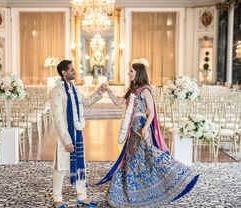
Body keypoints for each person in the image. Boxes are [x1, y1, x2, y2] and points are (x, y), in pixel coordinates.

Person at [98, 58, 199, 207]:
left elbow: (151, 112)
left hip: (141, 128)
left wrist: (145, 128)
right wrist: (109, 91)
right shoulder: (132, 89)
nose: (128, 73)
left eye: (131, 71)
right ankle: (136, 187)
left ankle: (175, 176)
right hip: (132, 130)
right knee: (134, 158)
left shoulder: (145, 90)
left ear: (138, 73)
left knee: (148, 156)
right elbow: (118, 102)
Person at [50, 60, 105, 208]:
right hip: (65, 135)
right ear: (63, 72)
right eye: (71, 70)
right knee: (61, 167)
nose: (74, 72)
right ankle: (57, 197)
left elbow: (85, 103)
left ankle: (82, 196)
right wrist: (67, 140)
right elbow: (59, 119)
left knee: (80, 166)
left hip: (77, 132)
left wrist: (99, 93)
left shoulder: (75, 89)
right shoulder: (57, 91)